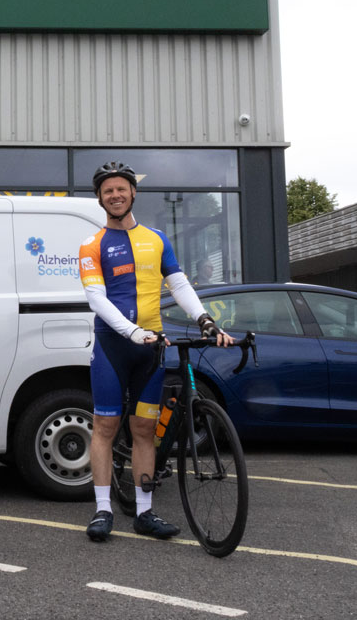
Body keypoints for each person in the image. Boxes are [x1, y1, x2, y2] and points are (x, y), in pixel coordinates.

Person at [78, 162, 234, 542]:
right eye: (108, 191)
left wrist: (205, 320)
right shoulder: (91, 245)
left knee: (145, 429)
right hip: (114, 346)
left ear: (133, 193)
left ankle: (144, 513)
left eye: (121, 189)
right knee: (105, 427)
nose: (115, 195)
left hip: (150, 349)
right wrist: (131, 331)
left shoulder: (157, 239)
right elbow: (96, 298)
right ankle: (102, 510)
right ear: (99, 198)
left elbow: (178, 285)